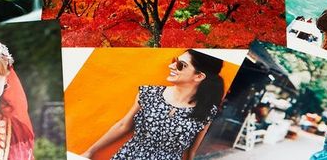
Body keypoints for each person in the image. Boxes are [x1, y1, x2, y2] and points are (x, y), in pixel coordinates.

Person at [80, 50, 224, 160]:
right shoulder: (149, 93)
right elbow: (123, 125)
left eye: (181, 65)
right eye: (175, 61)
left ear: (199, 76)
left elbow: (192, 151)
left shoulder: (206, 111)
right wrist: (90, 151)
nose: (171, 66)